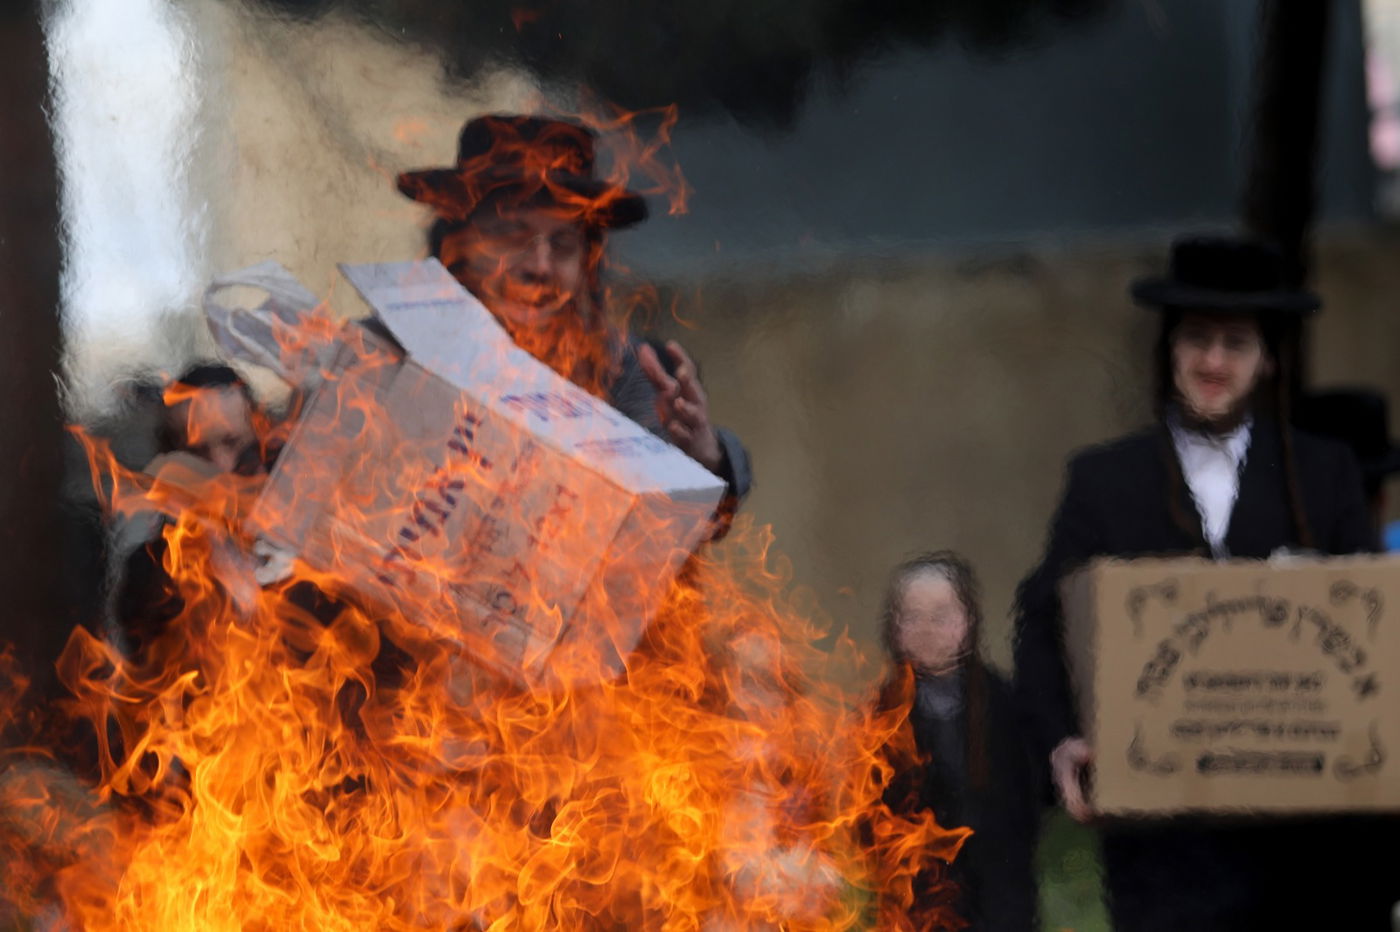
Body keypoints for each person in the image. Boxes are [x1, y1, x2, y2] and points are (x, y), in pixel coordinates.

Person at [1013, 235, 1384, 930]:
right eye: (1197, 340)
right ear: (1169, 349)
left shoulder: (1324, 474)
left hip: (1303, 856)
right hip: (1164, 854)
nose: (1213, 362)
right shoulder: (1105, 480)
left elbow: (1370, 631)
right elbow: (1042, 625)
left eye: (1236, 343)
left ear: (1267, 358)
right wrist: (1062, 741)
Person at [396, 114, 751, 527]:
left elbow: (674, 531)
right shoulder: (385, 353)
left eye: (563, 245)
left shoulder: (631, 376)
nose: (540, 266)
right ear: (458, 243)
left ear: (587, 260)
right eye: (512, 236)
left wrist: (702, 462)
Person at [877, 552, 1040, 931]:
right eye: (912, 617)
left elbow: (1026, 805)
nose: (926, 629)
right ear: (894, 627)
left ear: (968, 622)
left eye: (940, 616)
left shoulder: (1005, 705)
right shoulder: (881, 715)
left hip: (1000, 895)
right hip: (918, 897)